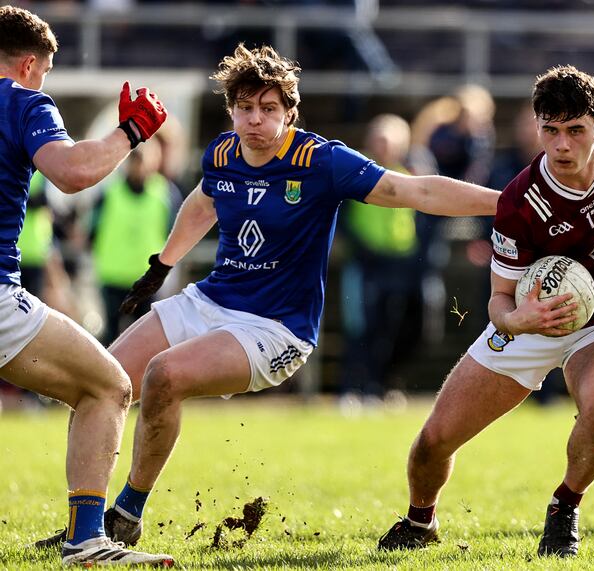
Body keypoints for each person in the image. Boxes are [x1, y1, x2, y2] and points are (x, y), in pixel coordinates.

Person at [35, 43, 500, 549]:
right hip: (209, 300)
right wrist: (163, 263)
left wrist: (508, 203)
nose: (255, 119)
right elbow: (205, 199)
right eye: (246, 107)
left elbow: (417, 192)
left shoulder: (321, 160)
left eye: (269, 108)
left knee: (164, 375)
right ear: (232, 108)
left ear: (289, 113)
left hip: (275, 327)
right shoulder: (222, 150)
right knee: (100, 384)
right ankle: (85, 528)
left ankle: (126, 514)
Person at [376, 64, 594, 558]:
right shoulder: (518, 202)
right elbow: (499, 300)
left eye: (575, 130)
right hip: (530, 320)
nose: (562, 145)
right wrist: (520, 320)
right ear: (536, 127)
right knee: (433, 442)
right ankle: (419, 521)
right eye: (551, 131)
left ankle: (565, 506)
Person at [0, 5, 174, 567]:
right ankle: (87, 538)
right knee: (108, 385)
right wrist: (131, 132)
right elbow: (72, 172)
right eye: (45, 73)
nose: (43, 82)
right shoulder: (23, 101)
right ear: (29, 65)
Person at [337, 114, 422, 410]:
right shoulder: (357, 175)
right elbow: (344, 222)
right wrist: (364, 249)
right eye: (380, 140)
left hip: (398, 265)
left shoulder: (410, 176)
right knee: (361, 327)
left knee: (392, 329)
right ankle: (351, 389)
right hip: (365, 264)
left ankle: (379, 387)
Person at [90, 144, 173, 346]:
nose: (138, 167)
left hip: (148, 278)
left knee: (144, 341)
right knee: (112, 338)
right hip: (113, 276)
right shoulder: (109, 193)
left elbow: (172, 232)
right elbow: (92, 231)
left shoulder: (164, 193)